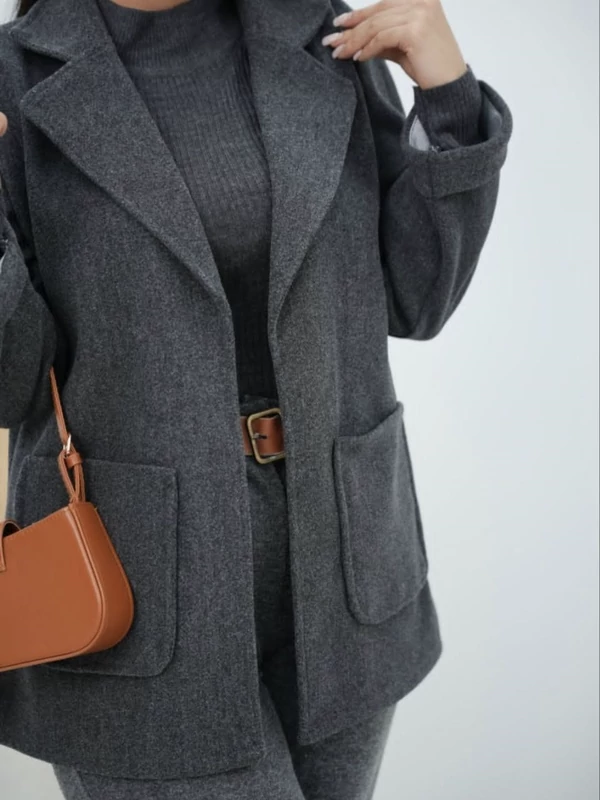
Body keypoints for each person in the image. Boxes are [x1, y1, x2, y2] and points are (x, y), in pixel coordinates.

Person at [0, 0, 513, 797]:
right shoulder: (16, 73)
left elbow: (417, 294)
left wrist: (448, 100)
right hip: (135, 594)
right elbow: (12, 383)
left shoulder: (318, 30)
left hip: (342, 571)